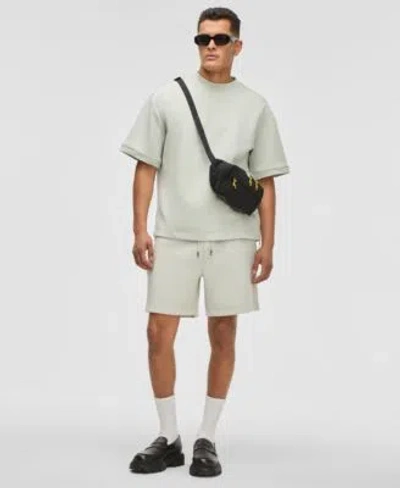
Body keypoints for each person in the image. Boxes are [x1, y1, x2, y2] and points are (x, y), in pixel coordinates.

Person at [119, 6, 290, 478]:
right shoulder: (166, 98)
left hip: (233, 237)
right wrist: (139, 229)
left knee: (223, 333)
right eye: (202, 39)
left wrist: (268, 244)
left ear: (238, 46)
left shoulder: (255, 106)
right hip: (173, 234)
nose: (210, 46)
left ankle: (207, 438)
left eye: (219, 39)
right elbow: (146, 167)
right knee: (158, 333)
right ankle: (168, 436)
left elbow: (266, 180)